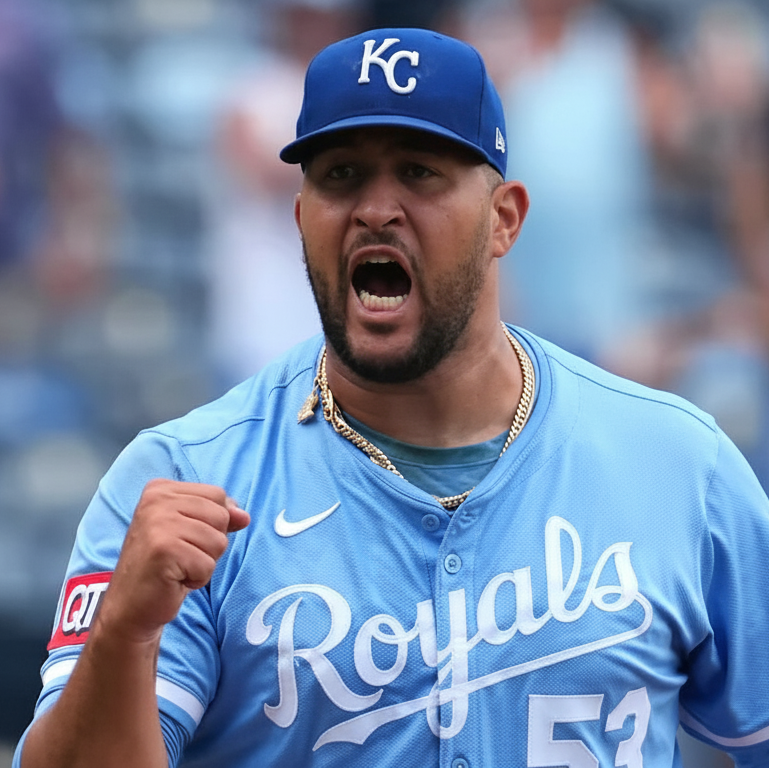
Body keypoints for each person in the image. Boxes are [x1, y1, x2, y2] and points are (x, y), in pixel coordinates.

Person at [14, 27, 769, 768]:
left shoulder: (678, 466)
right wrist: (123, 635)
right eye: (340, 174)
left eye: (419, 172)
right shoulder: (183, 480)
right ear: (302, 216)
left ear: (503, 219)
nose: (376, 208)